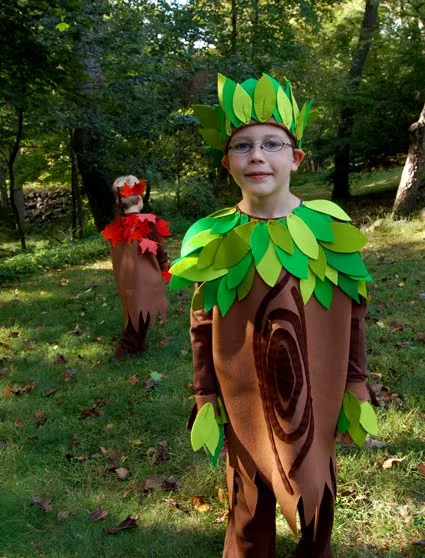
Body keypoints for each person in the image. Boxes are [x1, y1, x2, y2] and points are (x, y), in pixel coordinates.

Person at [170, 74, 378, 557]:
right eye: (242, 146)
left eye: (271, 144)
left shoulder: (329, 228)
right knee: (247, 508)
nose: (257, 156)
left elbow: (353, 315)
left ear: (295, 157)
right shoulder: (211, 237)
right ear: (227, 163)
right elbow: (203, 324)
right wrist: (205, 393)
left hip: (315, 395)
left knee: (316, 502)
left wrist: (355, 381)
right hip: (243, 396)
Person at [101, 175, 171, 360]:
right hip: (145, 276)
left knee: (135, 309)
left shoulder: (117, 225)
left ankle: (138, 343)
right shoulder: (146, 222)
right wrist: (165, 267)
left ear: (118, 201)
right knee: (142, 310)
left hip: (126, 277)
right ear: (140, 199)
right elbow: (158, 248)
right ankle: (126, 347)